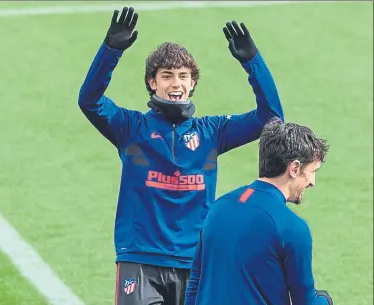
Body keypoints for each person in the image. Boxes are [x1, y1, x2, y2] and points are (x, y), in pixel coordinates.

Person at [78, 6, 284, 305]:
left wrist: (252, 62)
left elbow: (271, 117)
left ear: (192, 83)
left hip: (195, 263)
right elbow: (90, 101)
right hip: (140, 259)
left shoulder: (212, 132)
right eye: (167, 75)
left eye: (183, 76)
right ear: (153, 82)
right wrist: (111, 51)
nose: (176, 83)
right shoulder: (130, 128)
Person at [184, 118, 333, 305]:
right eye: (312, 171)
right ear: (294, 168)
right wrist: (325, 300)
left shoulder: (218, 207)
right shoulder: (292, 228)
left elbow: (195, 283)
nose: (312, 182)